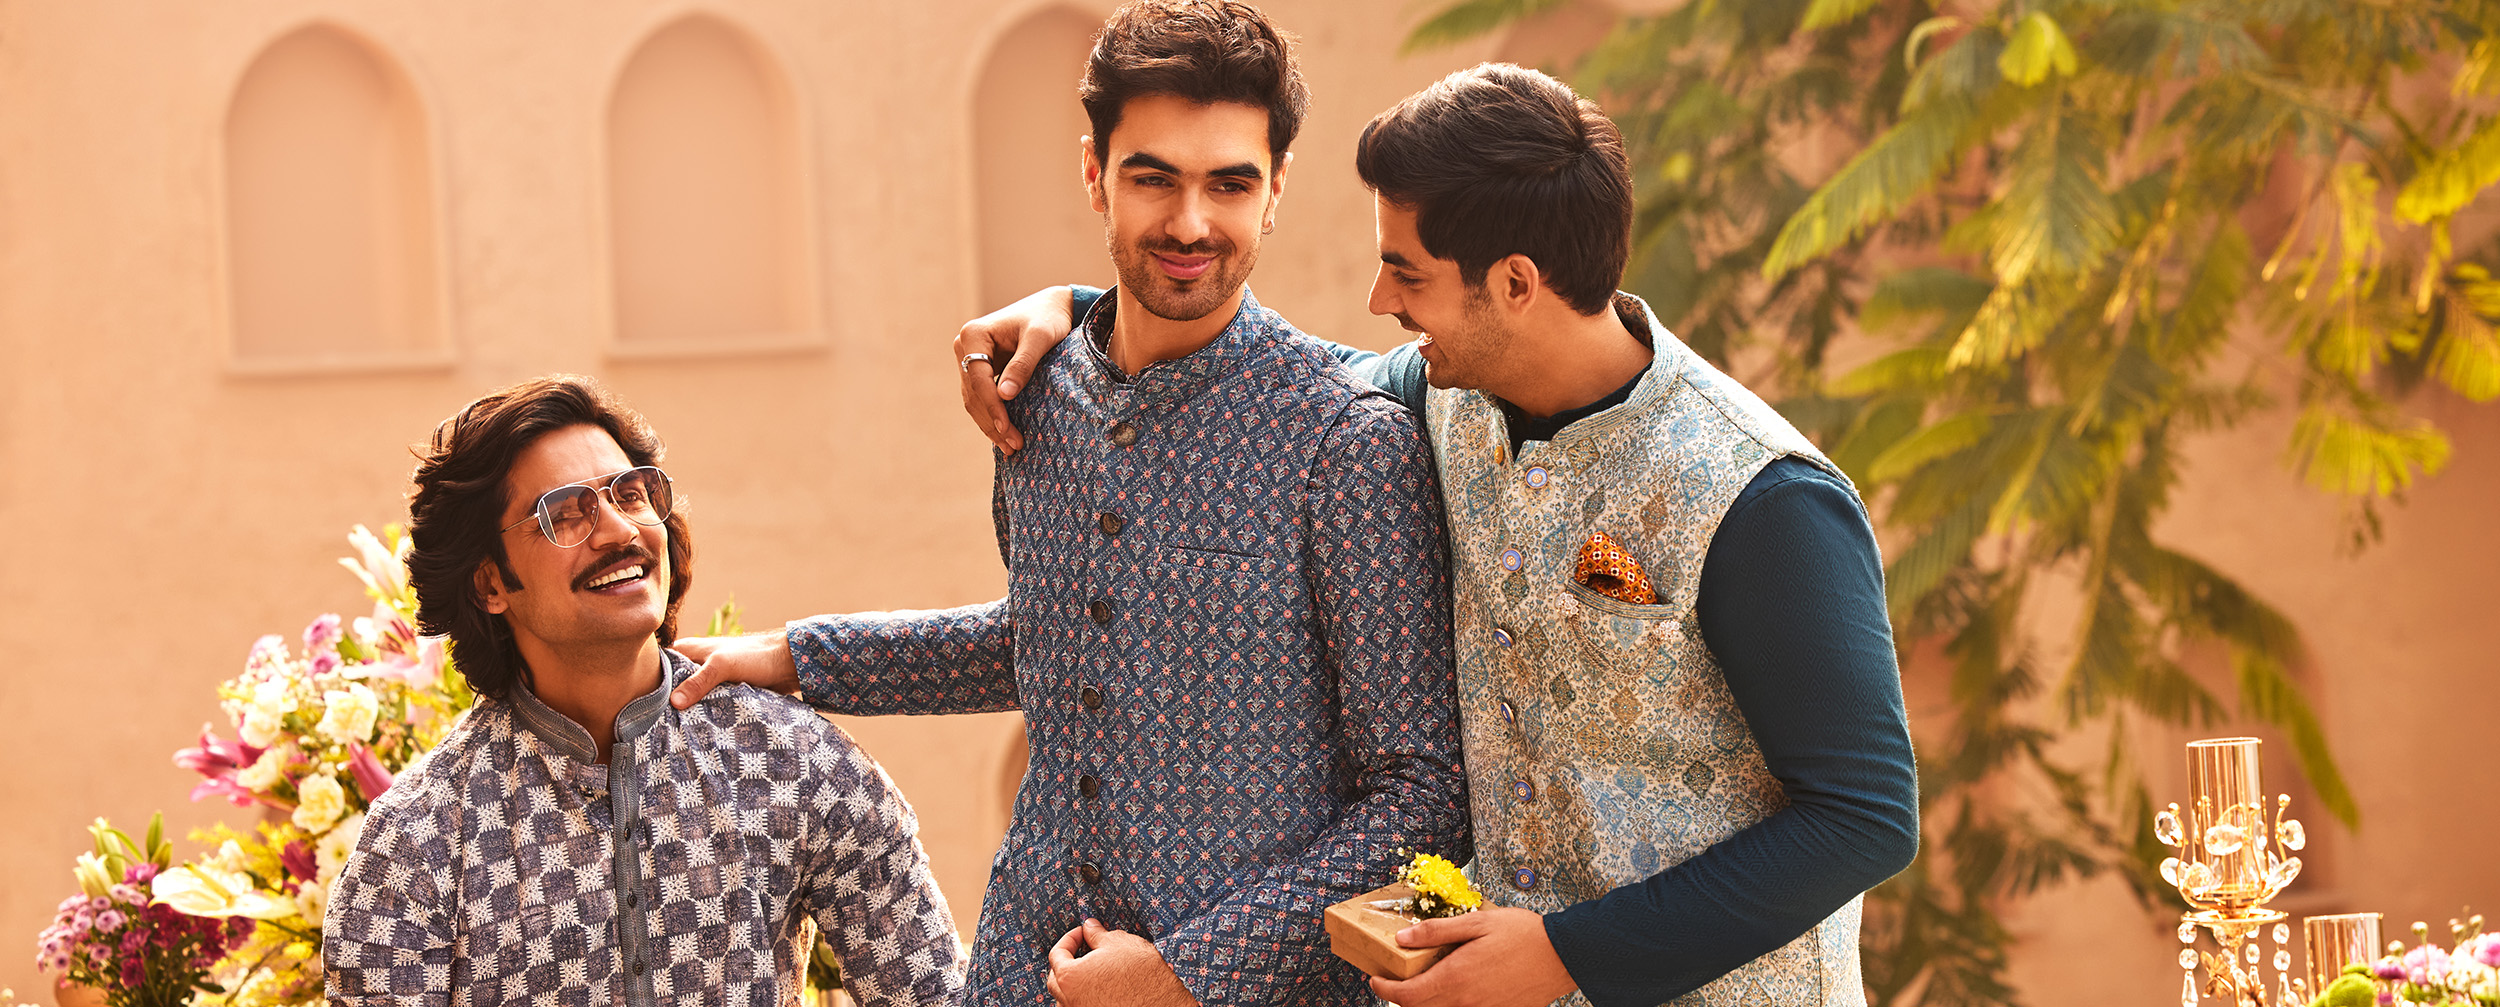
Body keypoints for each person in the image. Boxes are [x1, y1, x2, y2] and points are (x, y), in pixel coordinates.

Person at [952, 64, 1920, 1007]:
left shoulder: (1764, 496)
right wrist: (1084, 314)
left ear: (1514, 282)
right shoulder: (1442, 394)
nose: (1381, 299)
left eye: (1406, 271)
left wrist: (1565, 954)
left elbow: (1864, 817)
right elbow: (1275, 382)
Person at [666, 3, 1470, 1005]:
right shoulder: (1033, 395)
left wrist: (1185, 972)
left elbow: (1421, 797)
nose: (1190, 223)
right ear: (1094, 173)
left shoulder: (1346, 443)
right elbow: (1047, 640)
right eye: (1152, 178)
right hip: (1020, 968)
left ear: (1275, 192)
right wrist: (795, 656)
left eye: (1229, 183)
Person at [321, 376, 966, 1007]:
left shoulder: (792, 760)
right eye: (564, 514)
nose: (620, 531)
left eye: (629, 495)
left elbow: (935, 996)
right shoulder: (420, 838)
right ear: (490, 584)